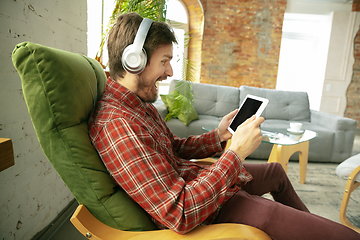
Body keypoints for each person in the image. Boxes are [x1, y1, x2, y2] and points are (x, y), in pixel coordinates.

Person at [88, 12, 360, 240]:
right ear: (134, 61)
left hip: (196, 179)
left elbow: (173, 147)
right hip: (205, 208)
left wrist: (218, 136)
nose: (170, 72)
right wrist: (235, 153)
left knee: (275, 171)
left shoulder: (137, 105)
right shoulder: (118, 125)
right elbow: (180, 213)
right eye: (164, 61)